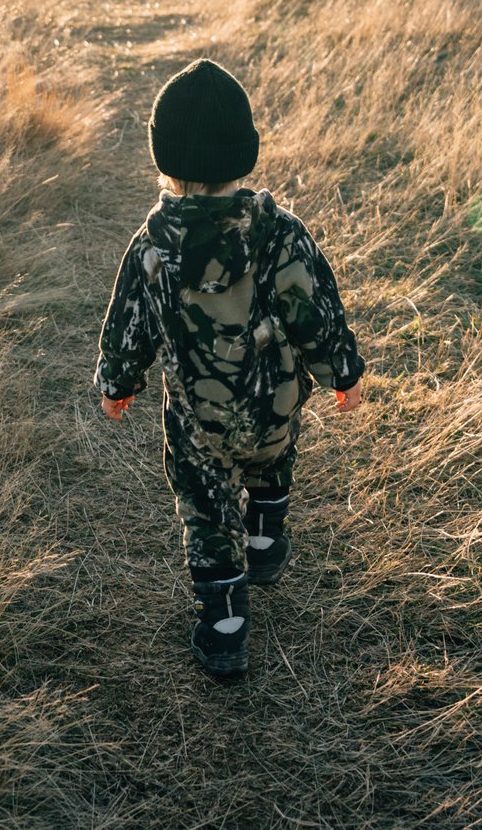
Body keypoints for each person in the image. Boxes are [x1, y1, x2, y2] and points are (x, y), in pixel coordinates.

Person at [94, 58, 367, 678]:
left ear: (164, 158)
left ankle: (224, 629)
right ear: (245, 154)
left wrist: (118, 384)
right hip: (273, 408)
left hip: (196, 428)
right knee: (272, 466)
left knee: (207, 517)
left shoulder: (152, 246)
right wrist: (342, 372)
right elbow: (316, 312)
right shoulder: (280, 235)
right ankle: (267, 542)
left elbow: (128, 327)